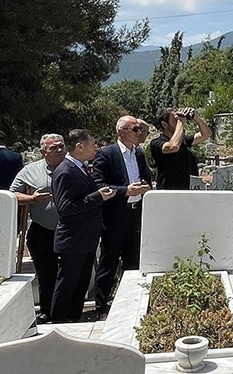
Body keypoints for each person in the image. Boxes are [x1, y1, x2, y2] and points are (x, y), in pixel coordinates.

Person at [50, 129, 115, 323]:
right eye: (92, 144)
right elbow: (65, 208)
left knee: (80, 285)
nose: (96, 148)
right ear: (79, 146)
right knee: (67, 286)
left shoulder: (80, 167)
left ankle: (74, 320)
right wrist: (98, 197)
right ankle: (60, 323)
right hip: (73, 240)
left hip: (86, 238)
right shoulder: (65, 171)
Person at [91, 116, 152, 316]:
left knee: (133, 261)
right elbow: (99, 185)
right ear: (121, 132)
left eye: (140, 128)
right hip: (115, 215)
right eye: (135, 129)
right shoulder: (107, 154)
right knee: (109, 262)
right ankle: (101, 306)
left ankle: (129, 304)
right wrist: (125, 190)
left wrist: (145, 186)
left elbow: (145, 177)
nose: (139, 132)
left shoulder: (139, 153)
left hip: (136, 214)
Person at [9, 133, 66, 324]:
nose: (59, 150)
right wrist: (31, 199)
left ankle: (67, 310)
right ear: (43, 152)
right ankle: (47, 310)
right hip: (43, 230)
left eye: (61, 146)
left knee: (68, 271)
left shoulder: (74, 166)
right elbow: (11, 195)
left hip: (70, 229)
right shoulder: (30, 170)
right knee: (46, 273)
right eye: (53, 148)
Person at [149, 106, 212, 190]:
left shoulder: (183, 141)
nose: (178, 121)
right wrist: (180, 121)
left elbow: (206, 134)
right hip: (166, 192)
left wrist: (196, 117)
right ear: (164, 124)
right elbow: (173, 146)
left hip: (185, 191)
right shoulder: (156, 143)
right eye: (175, 119)